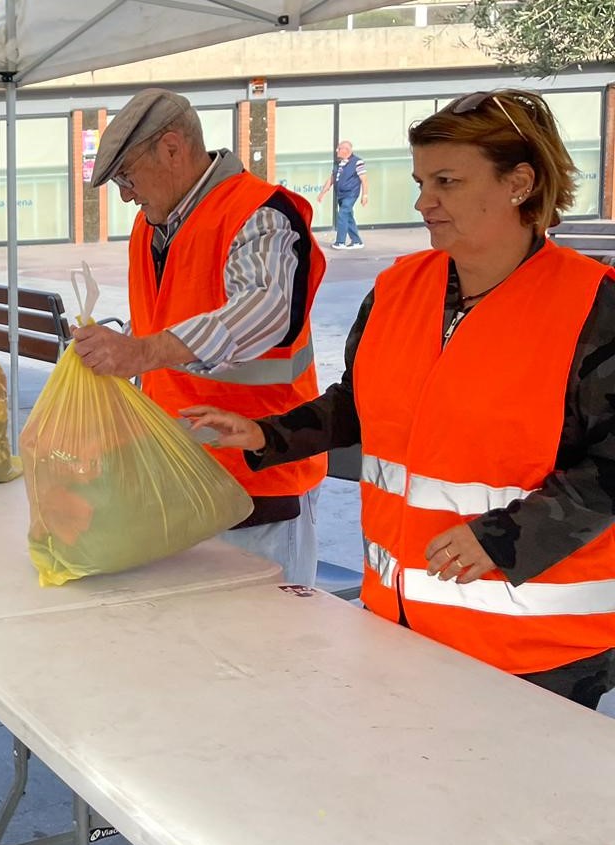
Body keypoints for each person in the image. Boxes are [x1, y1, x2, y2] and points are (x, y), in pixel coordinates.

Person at [187, 89, 615, 709]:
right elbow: (358, 404)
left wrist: (505, 538)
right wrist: (266, 435)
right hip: (400, 626)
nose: (423, 202)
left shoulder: (593, 307)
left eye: (447, 182)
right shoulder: (397, 290)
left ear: (520, 184)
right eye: (421, 182)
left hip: (536, 651)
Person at [72, 87, 327, 585]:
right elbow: (165, 323)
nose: (125, 195)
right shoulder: (152, 227)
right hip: (179, 481)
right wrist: (118, 348)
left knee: (266, 630)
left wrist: (142, 351)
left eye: (126, 176)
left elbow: (263, 310)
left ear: (171, 148)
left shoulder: (260, 213)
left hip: (259, 486)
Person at [318, 140, 369, 249]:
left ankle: (340, 242)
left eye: (339, 148)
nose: (337, 150)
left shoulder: (357, 162)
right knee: (348, 216)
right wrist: (322, 193)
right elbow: (331, 179)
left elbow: (364, 180)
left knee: (342, 214)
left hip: (351, 194)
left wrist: (364, 195)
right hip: (341, 194)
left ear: (346, 150)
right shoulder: (338, 163)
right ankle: (357, 241)